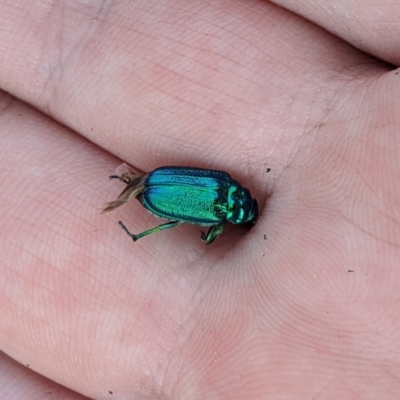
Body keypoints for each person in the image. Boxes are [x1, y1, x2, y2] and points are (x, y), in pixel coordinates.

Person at [1, 1, 399, 398]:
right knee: (172, 220)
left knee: (171, 216)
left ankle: (140, 227)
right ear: (236, 211)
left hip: (161, 188)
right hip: (161, 190)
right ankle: (140, 230)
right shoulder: (215, 211)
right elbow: (207, 228)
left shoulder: (224, 185)